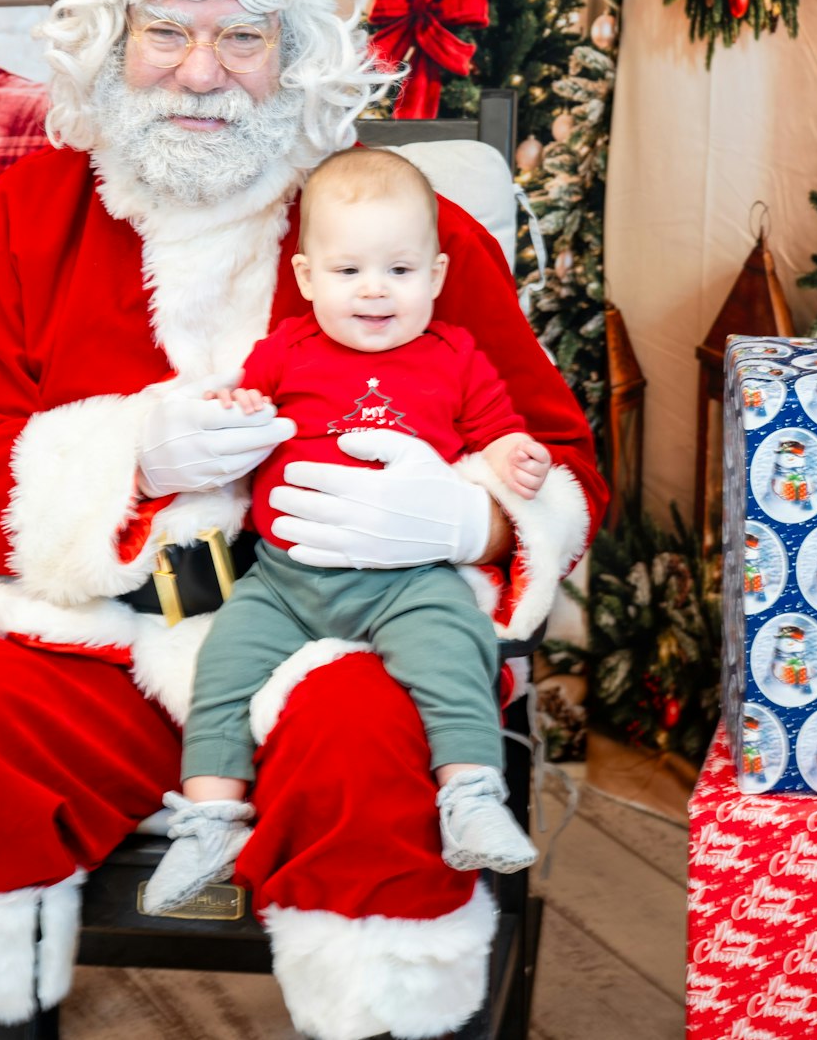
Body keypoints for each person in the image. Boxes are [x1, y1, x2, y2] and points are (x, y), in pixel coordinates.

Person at [0, 0, 602, 1040]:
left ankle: (388, 1017)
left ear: (293, 55)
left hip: (344, 631)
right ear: (108, 45)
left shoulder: (404, 233)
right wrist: (128, 457)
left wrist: (472, 514)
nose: (201, 71)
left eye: (242, 34)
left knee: (366, 757)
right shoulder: (19, 221)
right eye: (166, 31)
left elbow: (558, 457)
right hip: (92, 635)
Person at [145, 148, 550, 914]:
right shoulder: (288, 348)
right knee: (221, 668)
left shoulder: (455, 356)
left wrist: (509, 458)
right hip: (283, 580)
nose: (374, 291)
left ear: (434, 276)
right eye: (348, 271)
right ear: (305, 278)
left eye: (399, 272)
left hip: (409, 577)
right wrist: (230, 414)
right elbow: (243, 405)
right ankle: (207, 819)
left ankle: (469, 793)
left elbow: (498, 429)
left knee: (453, 652)